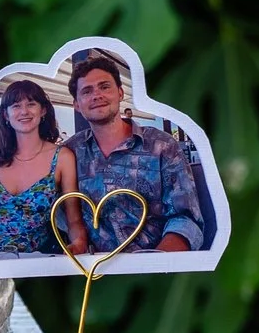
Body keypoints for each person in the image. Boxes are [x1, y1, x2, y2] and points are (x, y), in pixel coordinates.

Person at [67, 49, 208, 253]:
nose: (96, 95)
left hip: (153, 267)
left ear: (120, 93)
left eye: (104, 87)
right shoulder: (70, 152)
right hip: (92, 272)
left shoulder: (161, 145)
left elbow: (186, 219)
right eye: (87, 91)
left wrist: (156, 263)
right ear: (77, 105)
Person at [0, 78, 86, 256]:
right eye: (16, 105)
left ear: (43, 111)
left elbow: (73, 217)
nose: (24, 111)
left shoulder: (63, 158)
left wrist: (79, 243)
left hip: (37, 262)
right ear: (6, 115)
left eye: (31, 104)